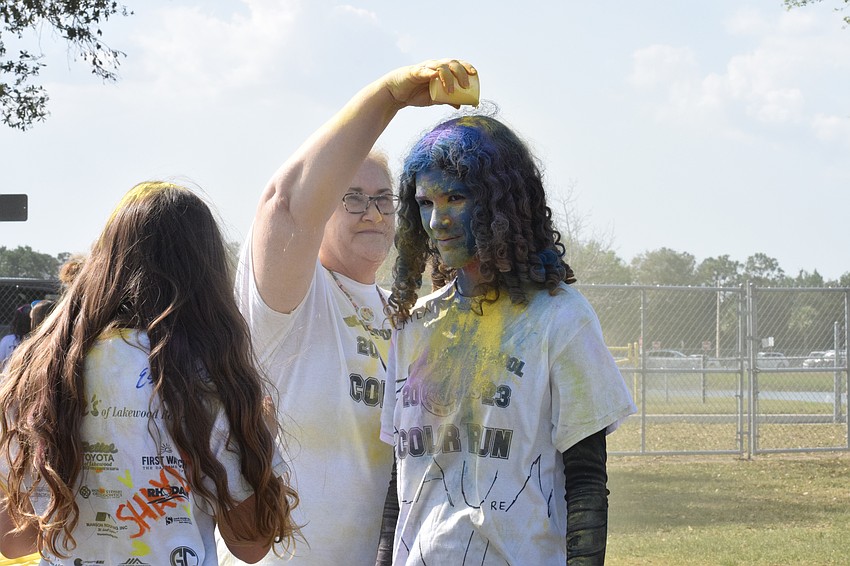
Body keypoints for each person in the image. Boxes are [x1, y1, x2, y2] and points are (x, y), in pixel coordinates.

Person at [221, 59, 478, 565]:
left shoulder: (401, 317)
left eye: (384, 200)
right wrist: (388, 98)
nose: (374, 213)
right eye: (352, 198)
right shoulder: (291, 298)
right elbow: (285, 206)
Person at [377, 115, 637, 565]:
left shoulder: (560, 319)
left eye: (455, 197)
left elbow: (587, 481)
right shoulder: (415, 325)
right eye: (424, 202)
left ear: (502, 205)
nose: (437, 221)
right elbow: (397, 486)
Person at [0, 182, 300, 565]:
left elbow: (14, 539)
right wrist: (264, 436)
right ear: (207, 274)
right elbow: (250, 544)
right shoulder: (209, 379)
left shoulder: (47, 371)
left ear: (105, 263)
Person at [0, 305, 30, 370]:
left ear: (16, 321)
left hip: (8, 378)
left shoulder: (7, 340)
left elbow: (1, 363)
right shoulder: (36, 341)